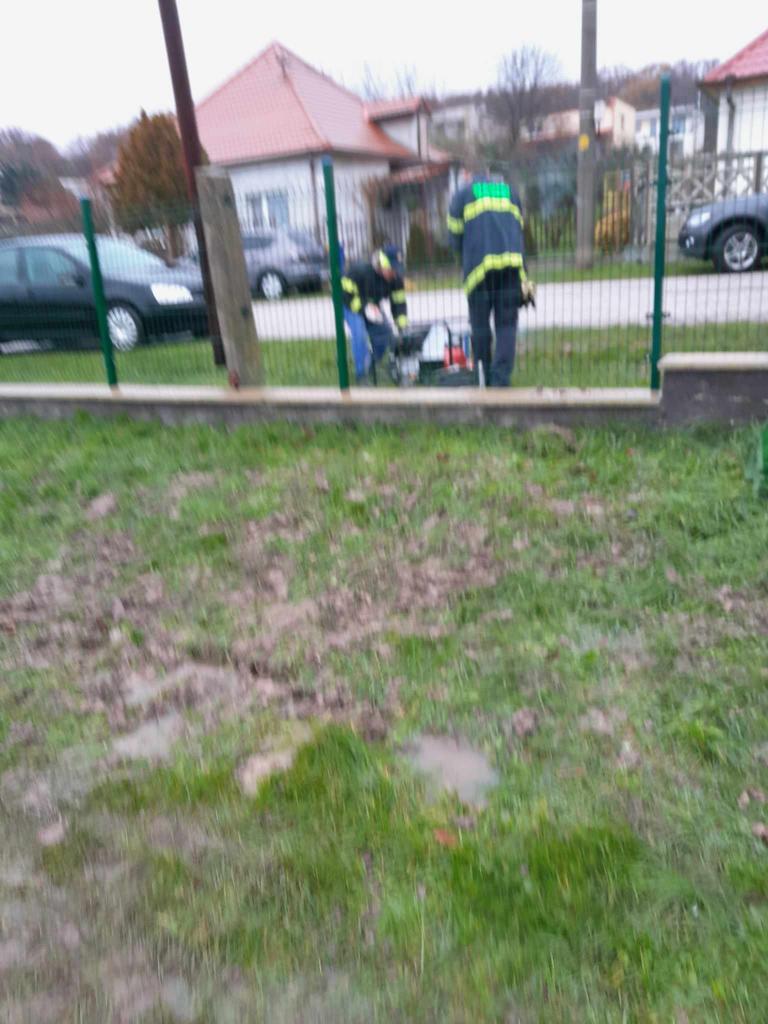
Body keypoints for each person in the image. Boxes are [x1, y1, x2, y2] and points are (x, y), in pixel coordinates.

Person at [447, 164, 535, 386]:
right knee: (506, 326)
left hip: (479, 270)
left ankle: (483, 376)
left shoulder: (462, 195)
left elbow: (454, 237)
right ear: (487, 173)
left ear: (467, 174)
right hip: (512, 266)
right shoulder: (509, 192)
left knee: (480, 326)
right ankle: (500, 379)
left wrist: (463, 256)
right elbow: (518, 228)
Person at [341, 245, 407, 383]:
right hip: (349, 305)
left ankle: (370, 367)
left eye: (396, 269)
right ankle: (361, 375)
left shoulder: (396, 279)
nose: (394, 273)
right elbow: (345, 295)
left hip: (371, 308)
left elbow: (399, 304)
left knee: (385, 335)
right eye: (392, 269)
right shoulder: (359, 272)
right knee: (359, 334)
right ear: (382, 265)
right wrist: (365, 308)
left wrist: (402, 328)